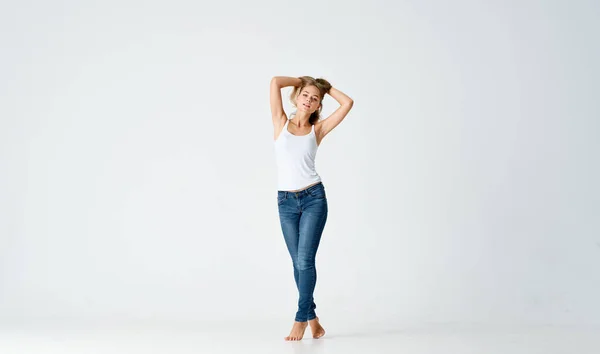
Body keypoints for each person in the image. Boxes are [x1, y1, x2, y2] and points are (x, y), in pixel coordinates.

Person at [270, 76, 354, 341]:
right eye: (305, 94)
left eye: (314, 98)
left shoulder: (318, 129)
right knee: (297, 263)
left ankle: (300, 319)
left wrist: (325, 88)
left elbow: (348, 102)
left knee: (305, 260)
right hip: (285, 202)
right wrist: (303, 80)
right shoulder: (280, 122)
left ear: (318, 105)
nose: (309, 100)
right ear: (298, 97)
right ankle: (313, 318)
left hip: (313, 199)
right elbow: (274, 82)